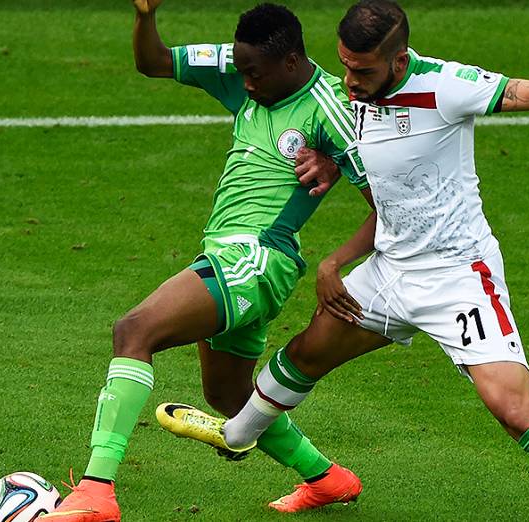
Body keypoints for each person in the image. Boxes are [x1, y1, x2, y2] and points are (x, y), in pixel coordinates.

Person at [159, 1, 529, 521]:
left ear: (397, 60)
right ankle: (234, 436)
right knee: (301, 357)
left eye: (361, 71)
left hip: (458, 276)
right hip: (389, 272)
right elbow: (378, 183)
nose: (348, 81)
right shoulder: (355, 95)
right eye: (344, 65)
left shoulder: (446, 86)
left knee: (514, 409)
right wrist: (333, 241)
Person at [40, 1, 377, 520]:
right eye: (239, 71)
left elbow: (391, 204)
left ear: (289, 62)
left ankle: (96, 492)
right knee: (227, 393)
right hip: (228, 255)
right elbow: (154, 62)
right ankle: (328, 479)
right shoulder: (244, 67)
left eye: (253, 74)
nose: (243, 85)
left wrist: (334, 261)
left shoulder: (331, 108)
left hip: (258, 257)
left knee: (134, 330)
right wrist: (145, 17)